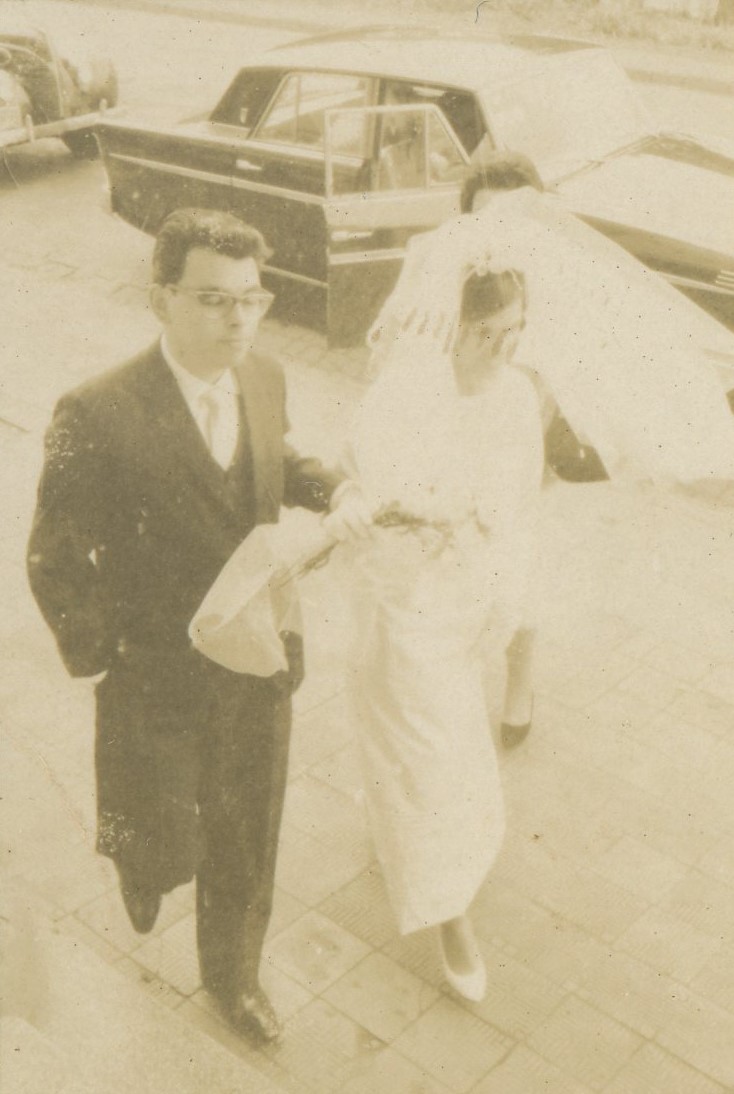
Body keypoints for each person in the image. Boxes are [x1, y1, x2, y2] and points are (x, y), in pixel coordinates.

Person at [26, 208, 368, 1044]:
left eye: (252, 299)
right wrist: (108, 653)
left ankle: (234, 977)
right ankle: (142, 863)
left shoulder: (266, 377)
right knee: (159, 826)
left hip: (257, 657)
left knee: (247, 828)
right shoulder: (95, 411)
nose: (239, 319)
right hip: (157, 669)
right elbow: (52, 556)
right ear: (162, 299)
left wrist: (334, 488)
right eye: (214, 300)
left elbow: (275, 458)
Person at [344, 264, 545, 1001]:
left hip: (466, 600)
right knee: (422, 749)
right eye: (487, 332)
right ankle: (451, 914)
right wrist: (410, 510)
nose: (502, 348)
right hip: (400, 598)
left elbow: (520, 506)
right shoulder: (407, 390)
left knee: (449, 748)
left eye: (514, 331)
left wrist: (499, 578)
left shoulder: (517, 396)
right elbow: (361, 478)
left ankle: (422, 851)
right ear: (453, 326)